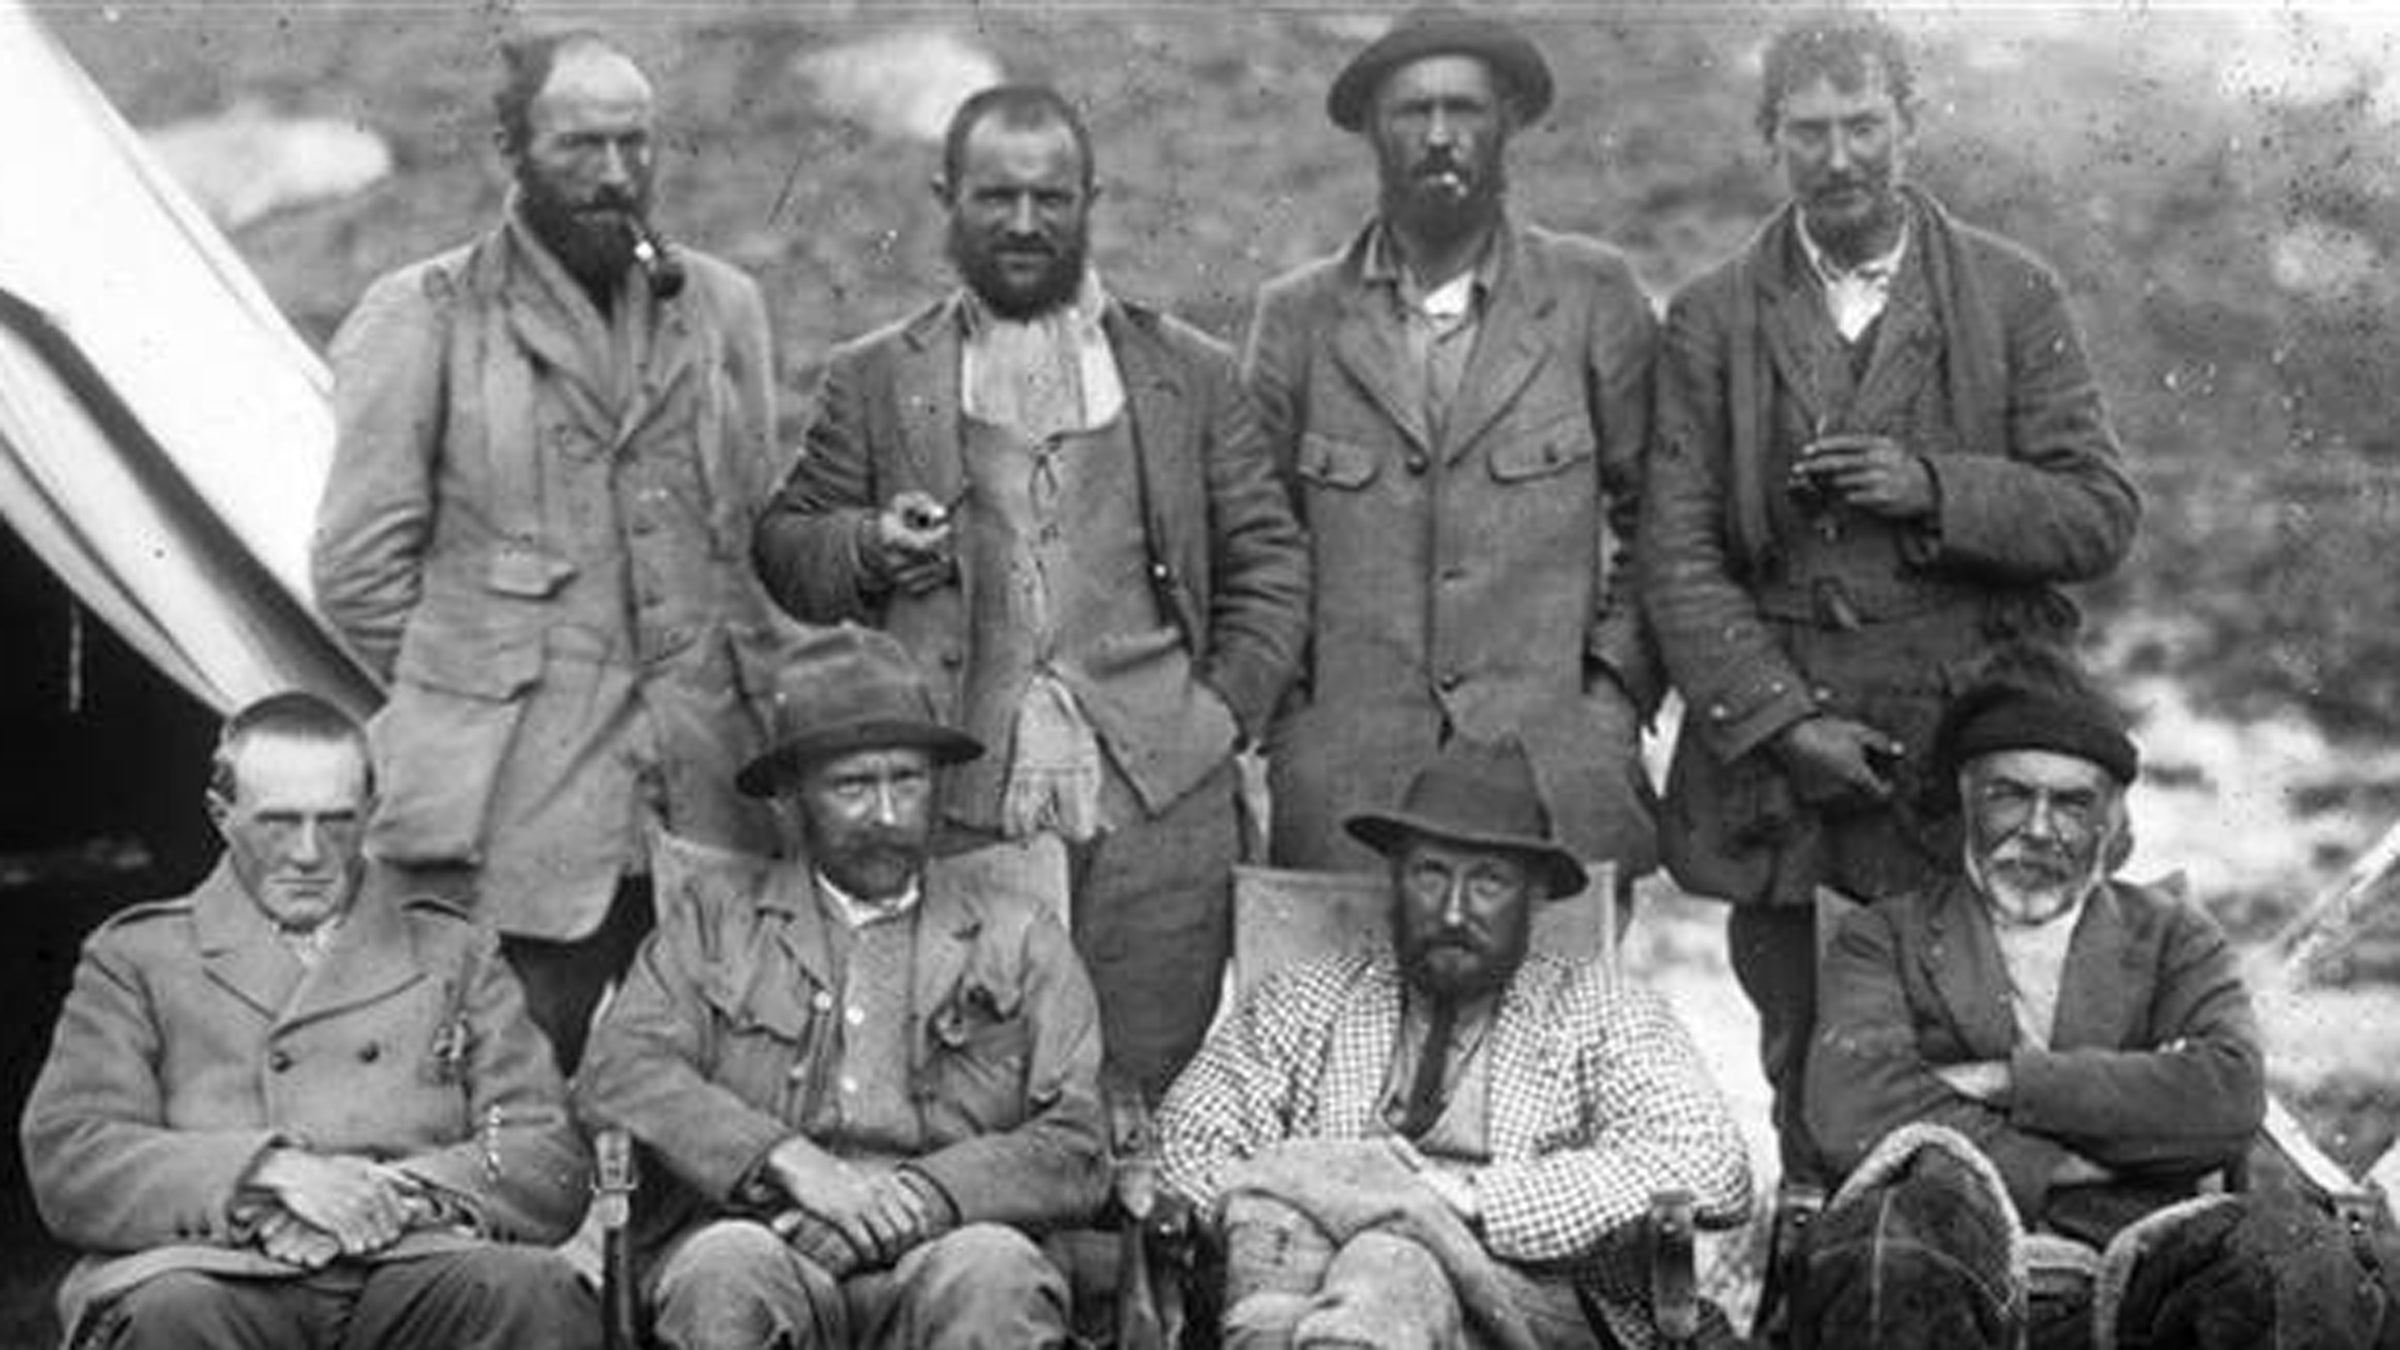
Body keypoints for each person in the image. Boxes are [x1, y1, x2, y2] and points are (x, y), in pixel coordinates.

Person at [1642, 11, 2142, 1179]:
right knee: (1806, 1060)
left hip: (1966, 756)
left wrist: (1934, 487)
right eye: (1807, 131)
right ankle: (1814, 1274)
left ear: (1910, 126)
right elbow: (1676, 553)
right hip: (1790, 777)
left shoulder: (2013, 295)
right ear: (1770, 141)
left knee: (1993, 1049)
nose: (1840, 157)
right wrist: (1784, 725)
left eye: (1864, 124)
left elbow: (2098, 513)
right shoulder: (1712, 319)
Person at [752, 84, 1309, 1104]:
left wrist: (1219, 715)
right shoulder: (875, 378)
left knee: (1146, 1085)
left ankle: (1139, 1265)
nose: (1022, 223)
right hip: (963, 813)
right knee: (979, 1082)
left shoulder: (1189, 373)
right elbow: (787, 548)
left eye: (1050, 198)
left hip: (1161, 812)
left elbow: (1269, 562)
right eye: (994, 196)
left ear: (1090, 198)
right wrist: (868, 545)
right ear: (945, 199)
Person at [311, 30, 796, 1072]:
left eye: (636, 144)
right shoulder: (423, 315)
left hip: (708, 801)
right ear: (510, 148)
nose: (616, 175)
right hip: (513, 829)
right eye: (581, 146)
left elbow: (749, 539)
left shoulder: (722, 310)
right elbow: (358, 574)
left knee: (716, 1114)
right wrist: (480, 692)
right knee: (502, 1107)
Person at [572, 624, 1109, 1350]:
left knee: (997, 1273)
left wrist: (918, 1200)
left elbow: (1077, 1141)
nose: (888, 815)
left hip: (951, 1245)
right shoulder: (715, 922)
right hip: (769, 1240)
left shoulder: (1021, 934)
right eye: (853, 786)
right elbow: (618, 1073)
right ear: (791, 802)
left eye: (907, 780)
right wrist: (791, 1163)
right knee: (723, 1271)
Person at [20, 692, 594, 1350]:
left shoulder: (453, 953)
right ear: (222, 815)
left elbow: (534, 1146)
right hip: (221, 1266)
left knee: (535, 1291)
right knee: (168, 1312)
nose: (308, 852)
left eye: (337, 821)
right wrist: (274, 1175)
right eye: (278, 822)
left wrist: (397, 1192)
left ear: (372, 816)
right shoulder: (139, 956)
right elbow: (76, 1148)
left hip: (411, 1256)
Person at [1244, 6, 1661, 886]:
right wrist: (1295, 721)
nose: (1440, 137)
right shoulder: (1297, 316)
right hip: (1348, 791)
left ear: (1506, 122)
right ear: (1371, 132)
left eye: (1465, 111)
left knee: (1558, 1018)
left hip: (1553, 777)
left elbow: (1659, 517)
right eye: (1412, 112)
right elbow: (1256, 538)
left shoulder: (1594, 294)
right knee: (1338, 1017)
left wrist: (1612, 698)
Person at [1157, 736, 1750, 1350]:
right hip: (1312, 1293)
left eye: (1489, 882)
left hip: (1534, 1312)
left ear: (1536, 895)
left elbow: (1710, 1166)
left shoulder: (1600, 1011)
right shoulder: (1309, 999)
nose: (1453, 913)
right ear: (1395, 879)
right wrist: (1375, 1206)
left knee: (1391, 1262)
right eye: (1430, 875)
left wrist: (1470, 1200)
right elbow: (1184, 1145)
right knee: (1338, 1285)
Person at [1801, 647, 2281, 1349]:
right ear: (1967, 800)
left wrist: (2013, 1081)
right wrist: (2079, 1163)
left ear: (2110, 822)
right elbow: (1852, 1109)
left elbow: (2230, 1094)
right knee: (1891, 1248)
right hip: (1947, 1239)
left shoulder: (2173, 934)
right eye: (2009, 794)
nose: (2037, 828)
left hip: (2141, 1250)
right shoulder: (1883, 936)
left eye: (2072, 803)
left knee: (2278, 1264)